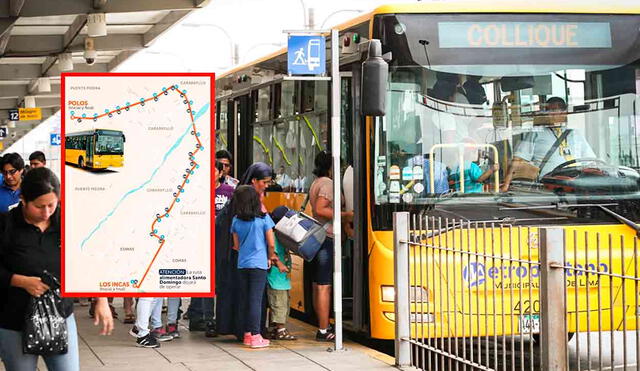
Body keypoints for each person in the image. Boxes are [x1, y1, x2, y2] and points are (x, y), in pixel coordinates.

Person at [0, 167, 113, 370]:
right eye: (39, 206)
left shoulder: (68, 221)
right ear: (23, 200)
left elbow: (88, 259)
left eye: (51, 205)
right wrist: (20, 281)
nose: (46, 213)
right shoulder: (6, 225)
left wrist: (101, 299)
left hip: (60, 313)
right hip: (14, 319)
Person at [216, 162, 274, 341]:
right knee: (253, 297)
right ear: (254, 180)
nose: (266, 186)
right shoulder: (248, 200)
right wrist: (271, 255)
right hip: (250, 259)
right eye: (264, 182)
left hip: (240, 258)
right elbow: (265, 234)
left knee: (244, 295)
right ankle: (253, 332)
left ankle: (246, 330)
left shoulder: (242, 197)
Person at [501, 97, 596, 191]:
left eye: (554, 111)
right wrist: (506, 184)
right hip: (548, 186)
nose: (549, 115)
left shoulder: (575, 134)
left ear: (564, 113)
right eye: (547, 111)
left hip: (576, 185)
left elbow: (590, 161)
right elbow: (517, 160)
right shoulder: (536, 133)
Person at [308, 151, 353, 341]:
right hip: (327, 239)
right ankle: (324, 330)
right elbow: (320, 209)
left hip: (320, 239)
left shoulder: (316, 182)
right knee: (324, 285)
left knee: (318, 283)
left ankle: (322, 325)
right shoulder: (327, 183)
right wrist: (346, 215)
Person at [231, 185, 281, 348]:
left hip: (242, 264)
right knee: (256, 300)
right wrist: (270, 256)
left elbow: (236, 246)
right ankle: (255, 335)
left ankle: (246, 333)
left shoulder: (236, 220)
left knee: (245, 299)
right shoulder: (264, 219)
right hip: (259, 264)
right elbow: (271, 243)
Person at [266, 206, 296, 341]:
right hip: (276, 278)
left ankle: (273, 328)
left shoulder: (279, 235)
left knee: (280, 303)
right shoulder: (273, 236)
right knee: (279, 304)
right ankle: (280, 330)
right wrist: (280, 264)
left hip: (281, 280)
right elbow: (272, 253)